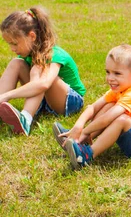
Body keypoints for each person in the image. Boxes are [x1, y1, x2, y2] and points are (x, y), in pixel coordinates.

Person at [53, 45, 131, 169]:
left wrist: (85, 131)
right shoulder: (120, 89)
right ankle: (79, 140)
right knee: (110, 105)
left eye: (117, 73)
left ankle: (86, 155)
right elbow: (93, 107)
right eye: (108, 72)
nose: (110, 78)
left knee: (122, 119)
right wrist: (78, 126)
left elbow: (107, 119)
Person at [0, 7, 85, 135]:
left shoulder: (54, 54)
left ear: (32, 36)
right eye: (9, 44)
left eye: (15, 43)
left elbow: (43, 84)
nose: (12, 48)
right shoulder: (25, 55)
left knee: (38, 69)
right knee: (16, 63)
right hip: (45, 101)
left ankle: (26, 120)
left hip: (69, 102)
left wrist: (8, 95)